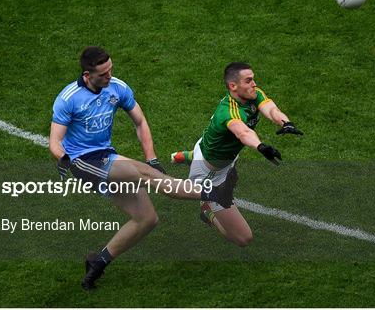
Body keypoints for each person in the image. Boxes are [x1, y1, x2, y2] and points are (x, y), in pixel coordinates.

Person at [49, 46, 204, 290]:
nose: (109, 77)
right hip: (84, 163)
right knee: (144, 174)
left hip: (106, 155)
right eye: (103, 74)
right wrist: (65, 159)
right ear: (87, 75)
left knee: (147, 219)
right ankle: (213, 192)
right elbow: (55, 141)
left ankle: (97, 263)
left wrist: (152, 157)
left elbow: (140, 121)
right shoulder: (68, 98)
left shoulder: (116, 87)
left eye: (110, 70)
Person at [171, 62, 303, 247]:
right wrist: (261, 147)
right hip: (211, 174)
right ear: (233, 86)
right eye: (248, 80)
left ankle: (192, 155)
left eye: (253, 79)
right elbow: (243, 133)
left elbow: (271, 109)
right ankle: (206, 209)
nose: (254, 84)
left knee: (221, 155)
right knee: (243, 238)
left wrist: (286, 123)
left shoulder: (252, 94)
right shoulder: (229, 112)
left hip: (219, 152)